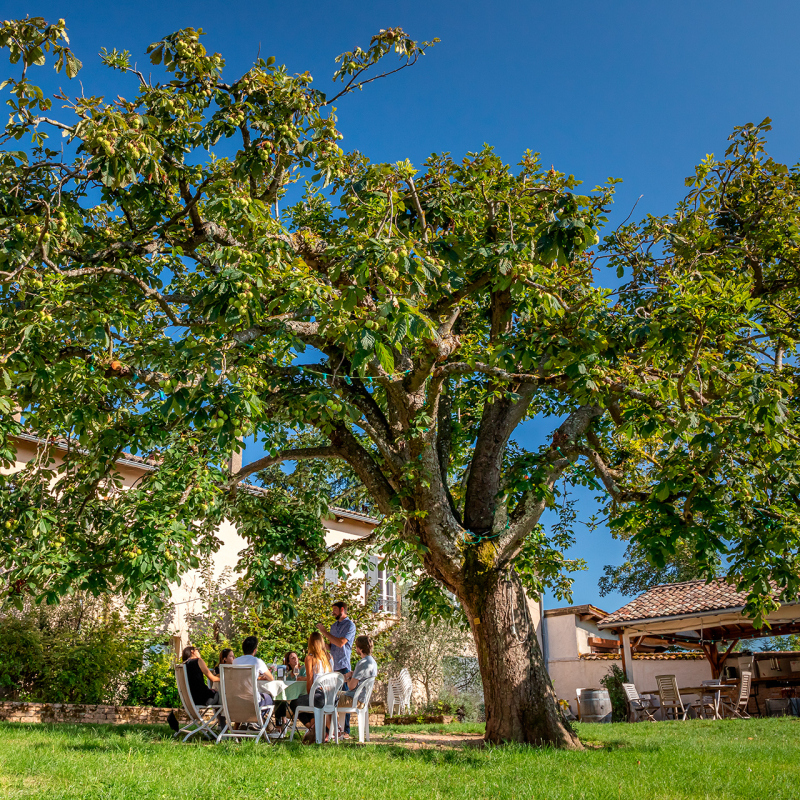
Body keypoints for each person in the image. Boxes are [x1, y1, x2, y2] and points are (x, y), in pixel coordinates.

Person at [317, 600, 356, 736]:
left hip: (344, 667)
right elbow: (331, 645)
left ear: (342, 610)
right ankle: (331, 730)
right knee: (330, 699)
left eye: (334, 609)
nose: (332, 612)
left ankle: (346, 731)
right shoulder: (333, 626)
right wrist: (320, 643)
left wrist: (324, 631)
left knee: (344, 700)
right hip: (332, 667)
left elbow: (340, 643)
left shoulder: (350, 625)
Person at [289, 631, 333, 744]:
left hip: (318, 695)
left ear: (311, 644)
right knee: (307, 703)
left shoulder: (310, 658)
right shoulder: (329, 657)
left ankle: (312, 728)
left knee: (294, 703)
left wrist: (310, 694)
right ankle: (318, 729)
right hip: (330, 696)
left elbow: (310, 680)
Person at [338, 635, 377, 739]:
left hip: (355, 699)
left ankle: (328, 733)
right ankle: (338, 732)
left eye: (356, 647)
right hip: (363, 699)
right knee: (334, 695)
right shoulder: (372, 662)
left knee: (327, 698)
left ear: (360, 649)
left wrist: (346, 678)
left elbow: (351, 687)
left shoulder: (362, 663)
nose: (355, 649)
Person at [233, 635, 274, 710]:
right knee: (270, 698)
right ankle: (257, 721)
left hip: (237, 701)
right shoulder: (257, 662)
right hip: (254, 702)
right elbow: (271, 678)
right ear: (255, 650)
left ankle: (246, 721)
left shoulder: (235, 661)